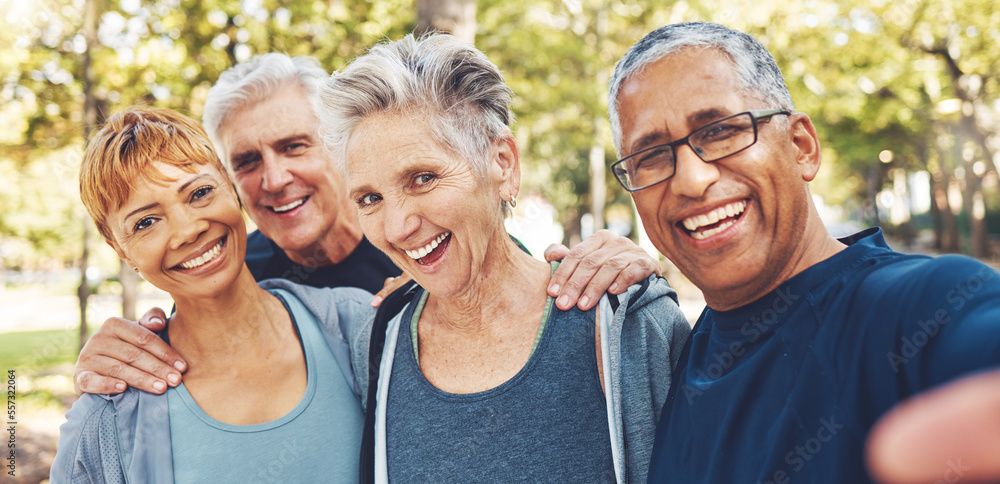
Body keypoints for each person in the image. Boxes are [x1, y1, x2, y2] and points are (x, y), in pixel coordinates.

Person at [72, 53, 662, 398]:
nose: (274, 179)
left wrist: (614, 260)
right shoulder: (234, 273)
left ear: (336, 149)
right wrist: (117, 351)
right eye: (246, 162)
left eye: (294, 145)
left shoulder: (436, 244)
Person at [605, 21, 1000, 483]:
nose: (691, 180)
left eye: (720, 131)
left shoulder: (923, 305)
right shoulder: (673, 352)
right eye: (650, 156)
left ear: (801, 147)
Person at [316, 33, 690, 482]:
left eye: (422, 178)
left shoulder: (629, 325)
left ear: (502, 163)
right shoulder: (377, 342)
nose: (397, 227)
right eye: (370, 198)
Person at [51, 107, 371, 482]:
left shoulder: (359, 328)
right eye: (146, 222)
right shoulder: (106, 419)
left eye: (200, 192)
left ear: (230, 186)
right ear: (119, 249)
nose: (187, 230)